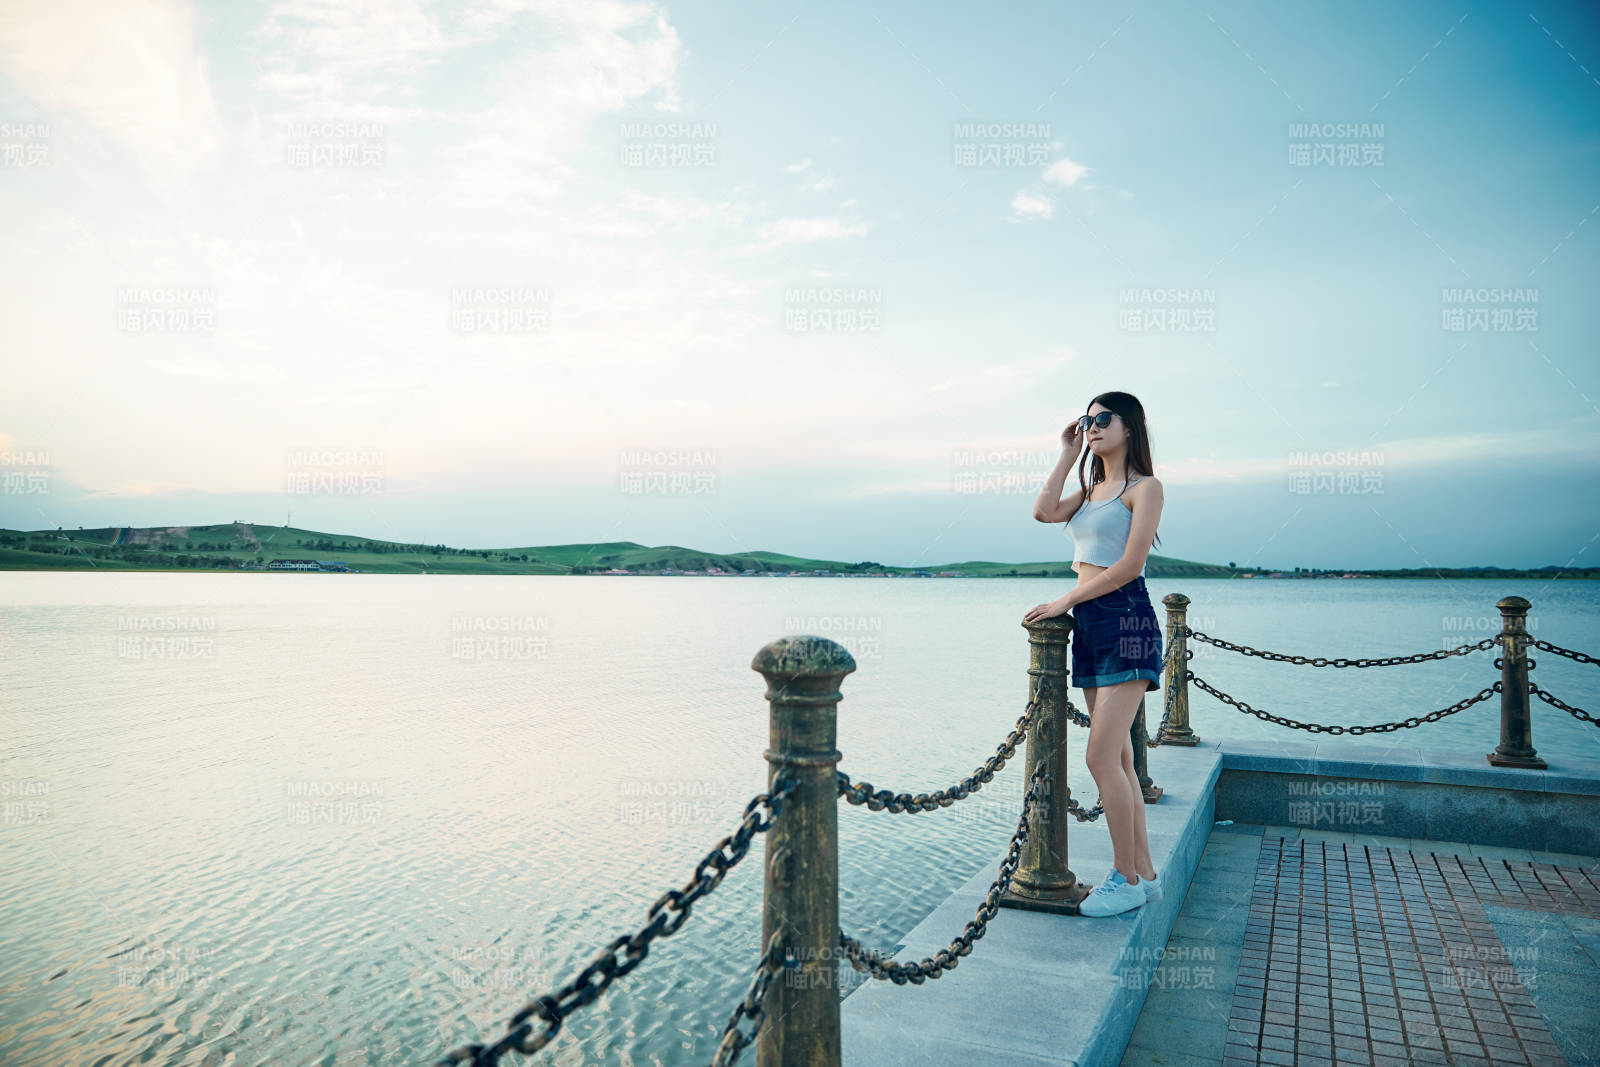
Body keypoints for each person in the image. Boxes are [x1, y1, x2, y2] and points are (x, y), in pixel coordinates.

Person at [1024, 392, 1166, 917]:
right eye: (1088, 420)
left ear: (1131, 427)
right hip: (1089, 625)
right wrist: (1066, 451)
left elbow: (1131, 565)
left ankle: (1124, 880)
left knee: (1100, 756)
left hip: (1126, 620)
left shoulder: (1144, 488)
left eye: (1103, 418)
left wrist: (1065, 598)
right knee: (1122, 758)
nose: (1093, 426)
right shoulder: (1090, 490)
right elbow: (1042, 512)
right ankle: (1145, 875)